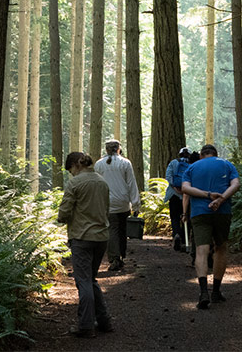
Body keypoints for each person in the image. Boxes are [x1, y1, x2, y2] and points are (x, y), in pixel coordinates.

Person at [57, 152, 114, 338]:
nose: (71, 174)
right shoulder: (101, 181)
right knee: (91, 279)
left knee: (83, 281)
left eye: (70, 170)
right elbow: (106, 209)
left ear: (75, 165)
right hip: (101, 237)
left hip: (82, 237)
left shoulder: (75, 183)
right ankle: (104, 322)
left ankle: (86, 326)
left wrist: (61, 218)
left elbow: (64, 212)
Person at [181, 144, 240, 309]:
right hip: (223, 212)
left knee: (202, 250)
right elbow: (235, 185)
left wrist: (206, 195)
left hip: (199, 213)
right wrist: (220, 200)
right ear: (216, 154)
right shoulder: (227, 164)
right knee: (221, 248)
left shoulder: (192, 167)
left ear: (201, 156)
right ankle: (215, 291)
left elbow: (185, 188)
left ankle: (203, 292)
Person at [94, 139, 140, 271]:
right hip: (123, 202)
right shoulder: (125, 163)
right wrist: (135, 204)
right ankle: (121, 255)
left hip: (107, 203)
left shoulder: (99, 164)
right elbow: (131, 184)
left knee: (112, 230)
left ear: (106, 149)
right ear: (118, 149)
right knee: (122, 230)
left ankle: (115, 258)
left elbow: (97, 184)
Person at [164, 147, 190, 251]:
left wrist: (175, 187)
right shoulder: (192, 164)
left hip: (173, 194)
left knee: (174, 217)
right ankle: (184, 239)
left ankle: (176, 234)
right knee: (186, 216)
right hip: (187, 194)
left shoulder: (173, 163)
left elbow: (168, 176)